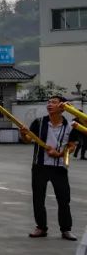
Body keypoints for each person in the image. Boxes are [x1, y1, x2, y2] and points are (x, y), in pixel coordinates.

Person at [21, 94, 78, 240]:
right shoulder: (39, 122)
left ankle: (66, 229)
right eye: (49, 102)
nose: (49, 104)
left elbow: (71, 146)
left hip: (59, 168)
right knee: (38, 198)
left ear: (62, 107)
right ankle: (41, 227)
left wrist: (59, 154)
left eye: (54, 102)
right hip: (39, 166)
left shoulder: (70, 126)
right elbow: (28, 139)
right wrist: (23, 134)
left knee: (63, 199)